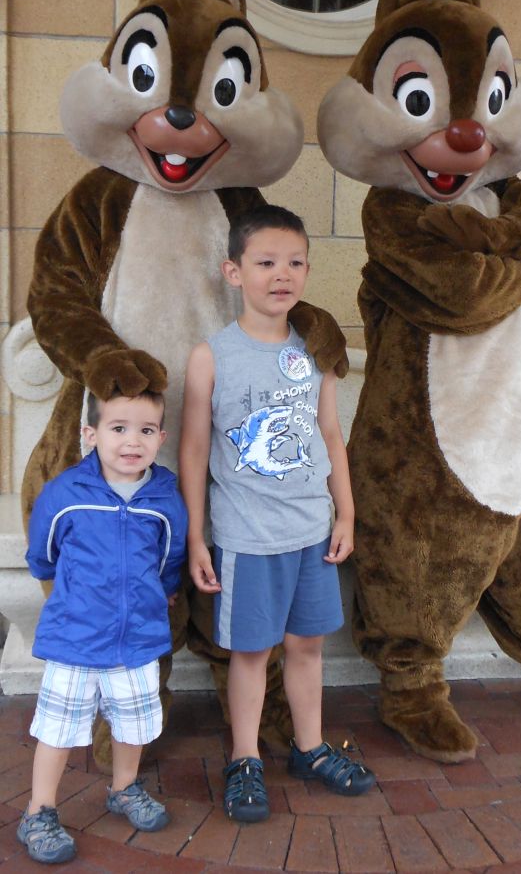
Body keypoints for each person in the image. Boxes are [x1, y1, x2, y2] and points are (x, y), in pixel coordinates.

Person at [180, 204, 376, 823]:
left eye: (295, 262)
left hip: (311, 532)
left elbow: (330, 435)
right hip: (247, 537)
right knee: (250, 653)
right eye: (266, 262)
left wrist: (345, 515)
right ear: (234, 272)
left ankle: (310, 748)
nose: (281, 274)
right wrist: (196, 537)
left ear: (308, 271)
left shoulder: (315, 350)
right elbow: (193, 450)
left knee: (307, 646)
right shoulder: (211, 356)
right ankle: (244, 759)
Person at [19, 390, 187, 864]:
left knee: (133, 723)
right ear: (90, 435)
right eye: (118, 428)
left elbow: (169, 557)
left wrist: (160, 593)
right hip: (75, 638)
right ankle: (38, 811)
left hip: (138, 640)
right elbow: (43, 555)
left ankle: (124, 788)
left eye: (146, 430)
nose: (133, 441)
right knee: (57, 728)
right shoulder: (66, 494)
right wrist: (74, 594)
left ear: (160, 438)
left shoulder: (164, 498)